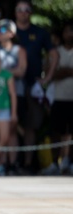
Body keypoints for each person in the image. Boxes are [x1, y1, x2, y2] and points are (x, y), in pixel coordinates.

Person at [13, 0, 53, 172]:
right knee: (11, 124)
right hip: (11, 85)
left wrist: (48, 77)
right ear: (15, 12)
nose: (23, 12)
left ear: (31, 12)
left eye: (26, 9)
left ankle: (28, 164)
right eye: (20, 9)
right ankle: (11, 163)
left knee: (31, 125)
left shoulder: (40, 33)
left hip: (32, 85)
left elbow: (54, 54)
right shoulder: (8, 31)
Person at [0, 18, 26, 173]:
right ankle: (2, 163)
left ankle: (13, 163)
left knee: (12, 130)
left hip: (15, 94)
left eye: (3, 30)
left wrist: (2, 73)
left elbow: (22, 71)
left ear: (12, 33)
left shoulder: (18, 50)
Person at [44, 23, 73, 174]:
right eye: (68, 30)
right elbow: (50, 74)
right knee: (55, 132)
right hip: (59, 97)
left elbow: (61, 72)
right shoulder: (56, 52)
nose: (70, 34)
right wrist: (66, 71)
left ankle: (70, 162)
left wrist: (62, 71)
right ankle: (55, 162)